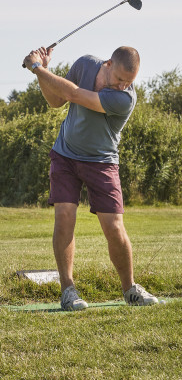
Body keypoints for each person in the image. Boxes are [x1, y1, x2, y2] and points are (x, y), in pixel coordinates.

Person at [23, 46, 159, 310]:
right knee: (64, 217)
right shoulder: (85, 64)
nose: (123, 86)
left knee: (114, 227)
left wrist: (36, 68)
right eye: (120, 79)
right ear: (108, 64)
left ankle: (130, 289)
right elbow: (56, 100)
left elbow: (73, 94)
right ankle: (68, 290)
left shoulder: (124, 99)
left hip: (102, 161)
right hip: (66, 154)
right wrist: (44, 71)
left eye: (129, 82)